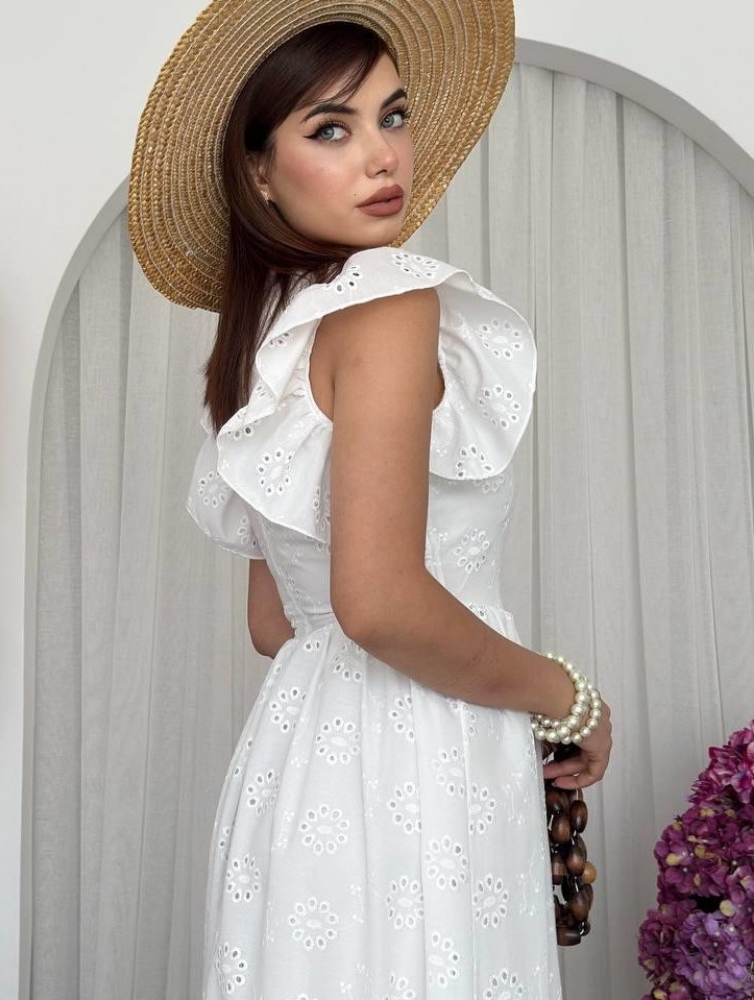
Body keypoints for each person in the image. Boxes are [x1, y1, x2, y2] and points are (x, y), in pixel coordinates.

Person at [129, 1, 613, 997]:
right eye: (329, 129)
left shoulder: (264, 345)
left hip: (302, 759)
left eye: (392, 115)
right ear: (257, 172)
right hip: (418, 755)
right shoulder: (390, 305)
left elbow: (279, 623)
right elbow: (380, 603)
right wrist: (566, 696)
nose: (382, 155)